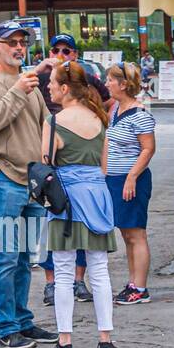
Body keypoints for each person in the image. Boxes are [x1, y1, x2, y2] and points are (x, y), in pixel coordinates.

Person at [0, 21, 58, 348]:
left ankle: (23, 320)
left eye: (22, 42)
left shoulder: (31, 84)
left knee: (25, 258)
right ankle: (6, 327)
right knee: (6, 258)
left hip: (33, 180)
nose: (18, 47)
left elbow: (44, 127)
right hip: (4, 178)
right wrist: (18, 90)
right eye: (11, 42)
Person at [44, 61, 118, 348]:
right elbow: (103, 167)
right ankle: (106, 340)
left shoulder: (55, 121)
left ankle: (65, 342)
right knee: (99, 269)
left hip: (67, 202)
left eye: (51, 83)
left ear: (64, 88)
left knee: (62, 271)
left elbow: (46, 160)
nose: (48, 87)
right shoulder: (100, 119)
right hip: (97, 197)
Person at [37, 35, 109, 305]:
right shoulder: (43, 77)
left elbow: (107, 97)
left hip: (77, 156)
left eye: (65, 50)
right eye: (55, 49)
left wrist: (96, 115)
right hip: (57, 140)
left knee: (81, 232)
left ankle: (78, 281)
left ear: (74, 54)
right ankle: (51, 283)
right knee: (57, 231)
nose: (59, 53)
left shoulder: (85, 78)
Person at [105, 62, 157, 305]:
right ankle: (132, 282)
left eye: (110, 80)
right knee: (126, 233)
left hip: (131, 180)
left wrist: (131, 177)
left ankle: (141, 287)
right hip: (115, 179)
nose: (107, 84)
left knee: (136, 233)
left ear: (123, 84)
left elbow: (148, 149)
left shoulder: (140, 114)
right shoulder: (115, 109)